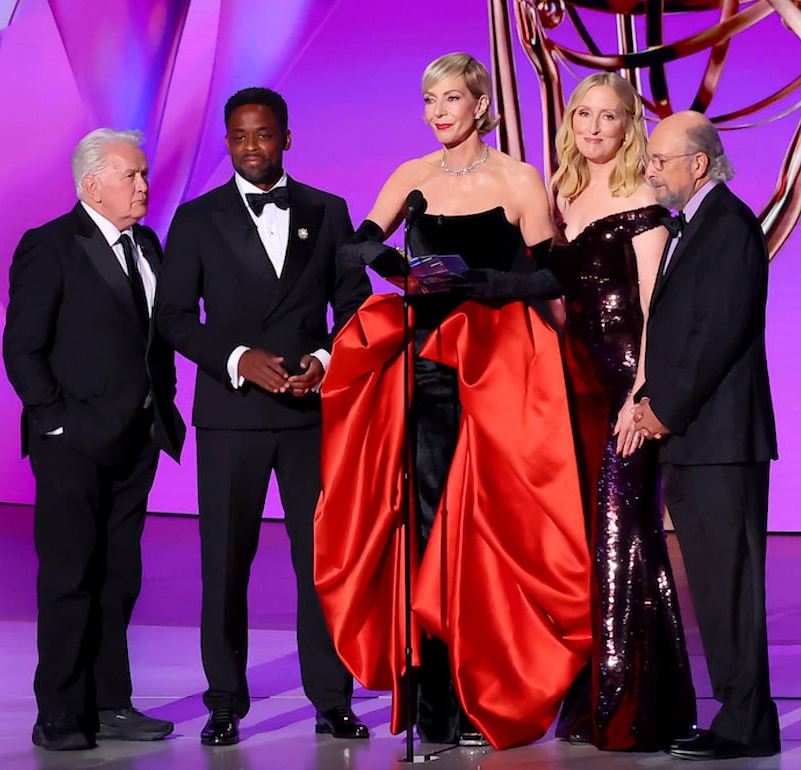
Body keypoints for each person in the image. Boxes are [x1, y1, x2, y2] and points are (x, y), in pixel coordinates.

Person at [313, 52, 592, 750]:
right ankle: (436, 702)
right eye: (430, 99)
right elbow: (360, 246)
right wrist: (377, 259)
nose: (439, 111)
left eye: (452, 98)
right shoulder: (410, 179)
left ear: (481, 105)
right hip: (429, 373)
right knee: (432, 526)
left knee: (491, 527)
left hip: (497, 368)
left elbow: (553, 276)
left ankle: (486, 690)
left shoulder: (517, 179)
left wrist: (495, 284)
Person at [155, 87, 372, 746]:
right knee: (225, 564)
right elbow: (171, 318)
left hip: (309, 417)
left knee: (320, 563)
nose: (252, 147)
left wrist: (325, 360)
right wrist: (238, 357)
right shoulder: (196, 220)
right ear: (228, 141)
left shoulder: (328, 212)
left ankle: (332, 699)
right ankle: (224, 702)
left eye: (264, 135)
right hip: (232, 416)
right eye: (240, 137)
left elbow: (357, 307)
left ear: (286, 137)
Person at [2, 128, 185, 751]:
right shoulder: (50, 245)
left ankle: (111, 703)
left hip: (138, 438)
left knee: (118, 577)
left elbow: (156, 336)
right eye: (131, 175)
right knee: (69, 575)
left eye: (143, 174)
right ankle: (58, 709)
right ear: (91, 185)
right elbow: (22, 348)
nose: (143, 185)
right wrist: (56, 421)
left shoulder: (149, 245)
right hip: (71, 443)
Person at [546, 73, 697, 751]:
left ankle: (632, 704)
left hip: (622, 388)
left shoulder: (644, 195)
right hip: (570, 386)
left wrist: (641, 394)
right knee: (595, 542)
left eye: (609, 116)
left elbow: (652, 309)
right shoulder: (562, 189)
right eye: (585, 114)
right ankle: (608, 693)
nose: (595, 127)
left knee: (623, 535)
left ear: (628, 124)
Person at [633, 110, 780, 760]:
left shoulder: (728, 225)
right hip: (697, 439)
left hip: (721, 440)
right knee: (715, 586)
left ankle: (747, 722)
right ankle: (737, 715)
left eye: (662, 160)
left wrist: (665, 408)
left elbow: (715, 333)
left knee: (732, 583)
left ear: (698, 164)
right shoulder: (689, 227)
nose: (652, 171)